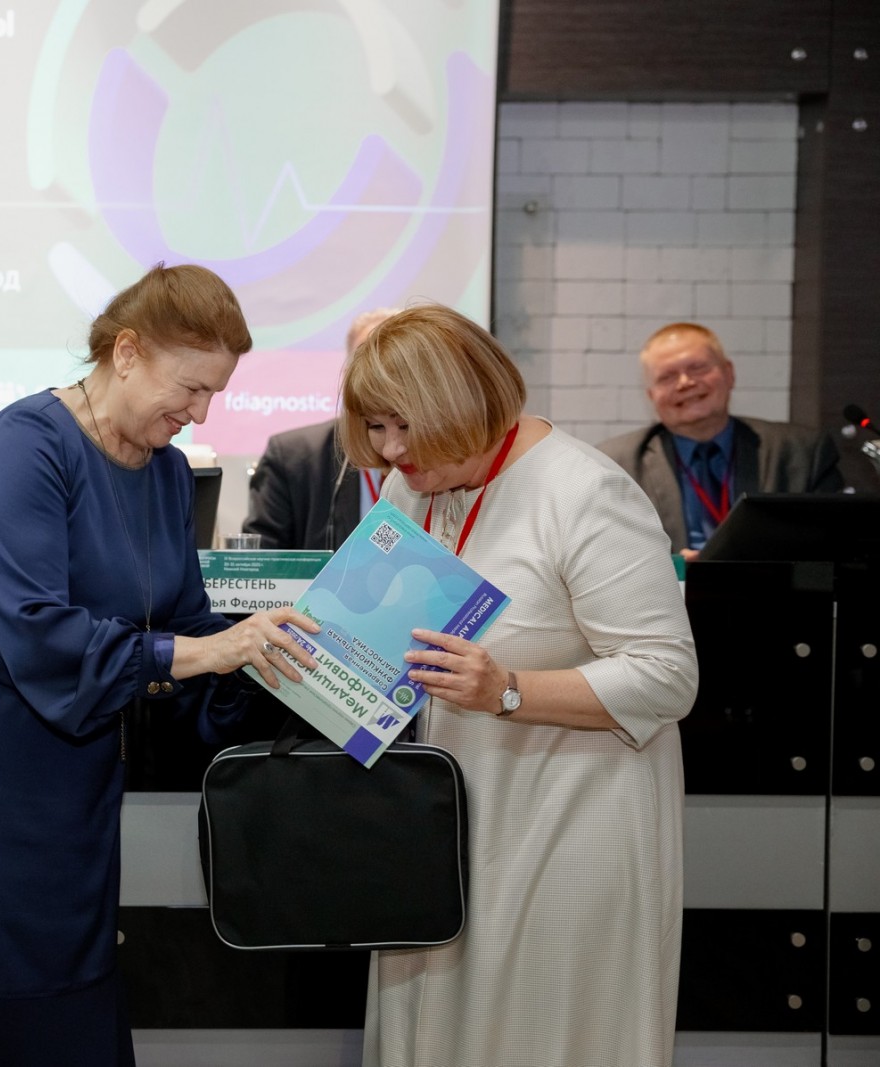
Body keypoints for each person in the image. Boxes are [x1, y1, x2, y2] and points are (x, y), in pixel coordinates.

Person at [0, 264, 319, 1066]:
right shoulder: (23, 446)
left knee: (66, 986)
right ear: (126, 352)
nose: (201, 412)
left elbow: (182, 621)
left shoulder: (167, 471)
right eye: (191, 387)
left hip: (74, 771)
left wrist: (269, 658)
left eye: (215, 395)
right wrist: (207, 651)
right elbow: (36, 630)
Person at [339, 304, 697, 1067]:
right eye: (376, 426)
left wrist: (507, 689)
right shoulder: (413, 486)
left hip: (567, 829)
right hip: (444, 829)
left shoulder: (584, 492)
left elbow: (668, 676)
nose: (390, 449)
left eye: (406, 425)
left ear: (463, 405)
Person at [598, 321, 845, 558]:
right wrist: (673, 567)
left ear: (729, 374)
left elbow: (829, 549)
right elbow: (605, 555)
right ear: (652, 395)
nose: (685, 383)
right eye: (667, 377)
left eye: (697, 368)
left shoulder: (801, 451)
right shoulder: (614, 466)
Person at [242, 307, 398, 549]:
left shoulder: (439, 461)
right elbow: (263, 560)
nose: (377, 377)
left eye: (391, 365)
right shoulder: (293, 458)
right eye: (365, 364)